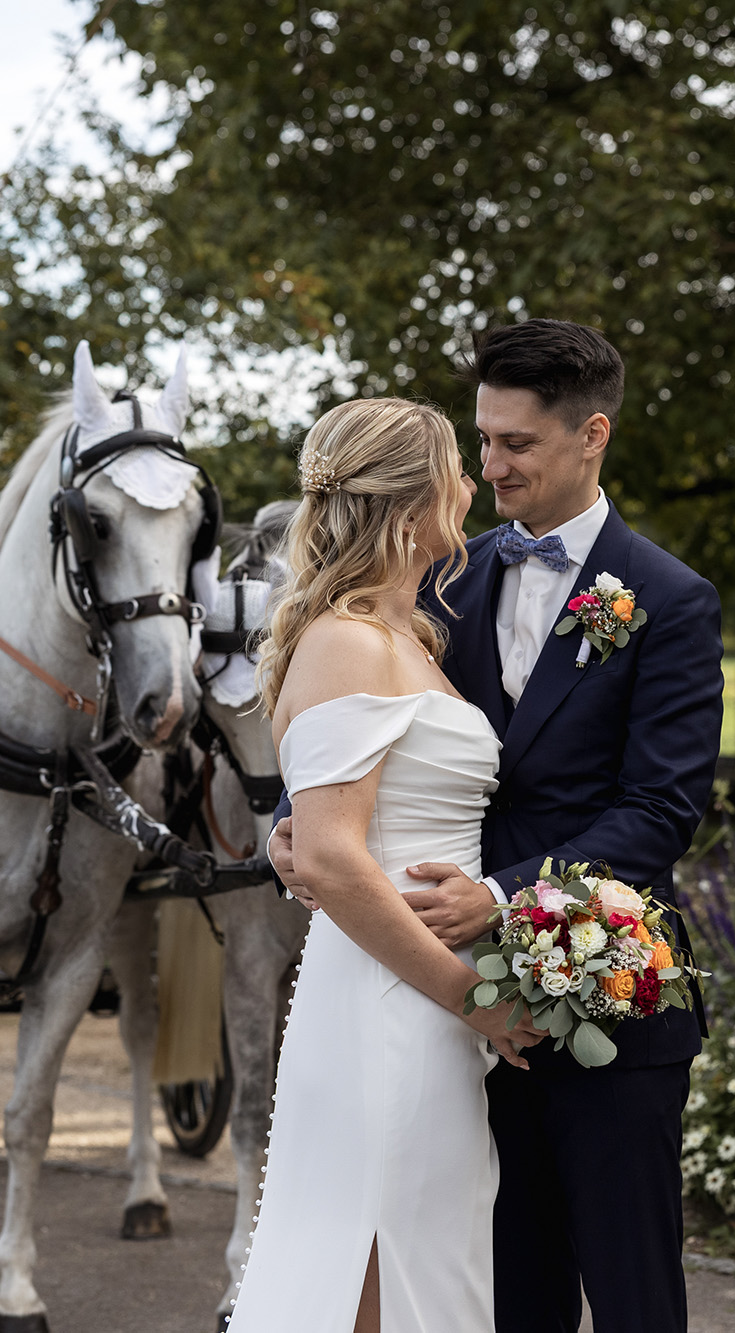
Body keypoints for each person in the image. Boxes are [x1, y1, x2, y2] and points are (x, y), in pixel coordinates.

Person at [271, 319, 724, 1333]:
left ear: (589, 435)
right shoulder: (434, 572)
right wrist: (283, 832)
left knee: (631, 1296)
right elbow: (343, 728)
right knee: (489, 1295)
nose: (491, 464)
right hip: (445, 1019)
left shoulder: (667, 599)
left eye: (516, 443)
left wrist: (505, 895)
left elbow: (659, 808)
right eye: (481, 439)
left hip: (605, 990)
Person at [227, 398, 543, 1333]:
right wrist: (467, 993)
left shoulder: (408, 638)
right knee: (373, 1258)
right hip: (386, 1006)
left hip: (423, 1005)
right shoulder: (347, 642)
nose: (472, 482)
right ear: (414, 505)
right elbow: (329, 851)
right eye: (456, 464)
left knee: (423, 1254)